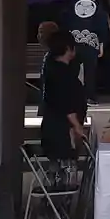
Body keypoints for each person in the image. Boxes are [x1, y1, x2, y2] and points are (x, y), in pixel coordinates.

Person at [39, 30, 88, 160]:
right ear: (68, 48)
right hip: (62, 130)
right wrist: (77, 126)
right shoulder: (62, 74)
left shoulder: (53, 68)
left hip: (55, 126)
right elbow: (67, 105)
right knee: (65, 163)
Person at [68, 0, 108, 102]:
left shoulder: (72, 8)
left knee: (72, 71)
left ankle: (72, 96)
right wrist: (101, 46)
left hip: (74, 43)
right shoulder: (99, 10)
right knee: (90, 72)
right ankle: (89, 96)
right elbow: (103, 29)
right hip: (91, 43)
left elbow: (66, 25)